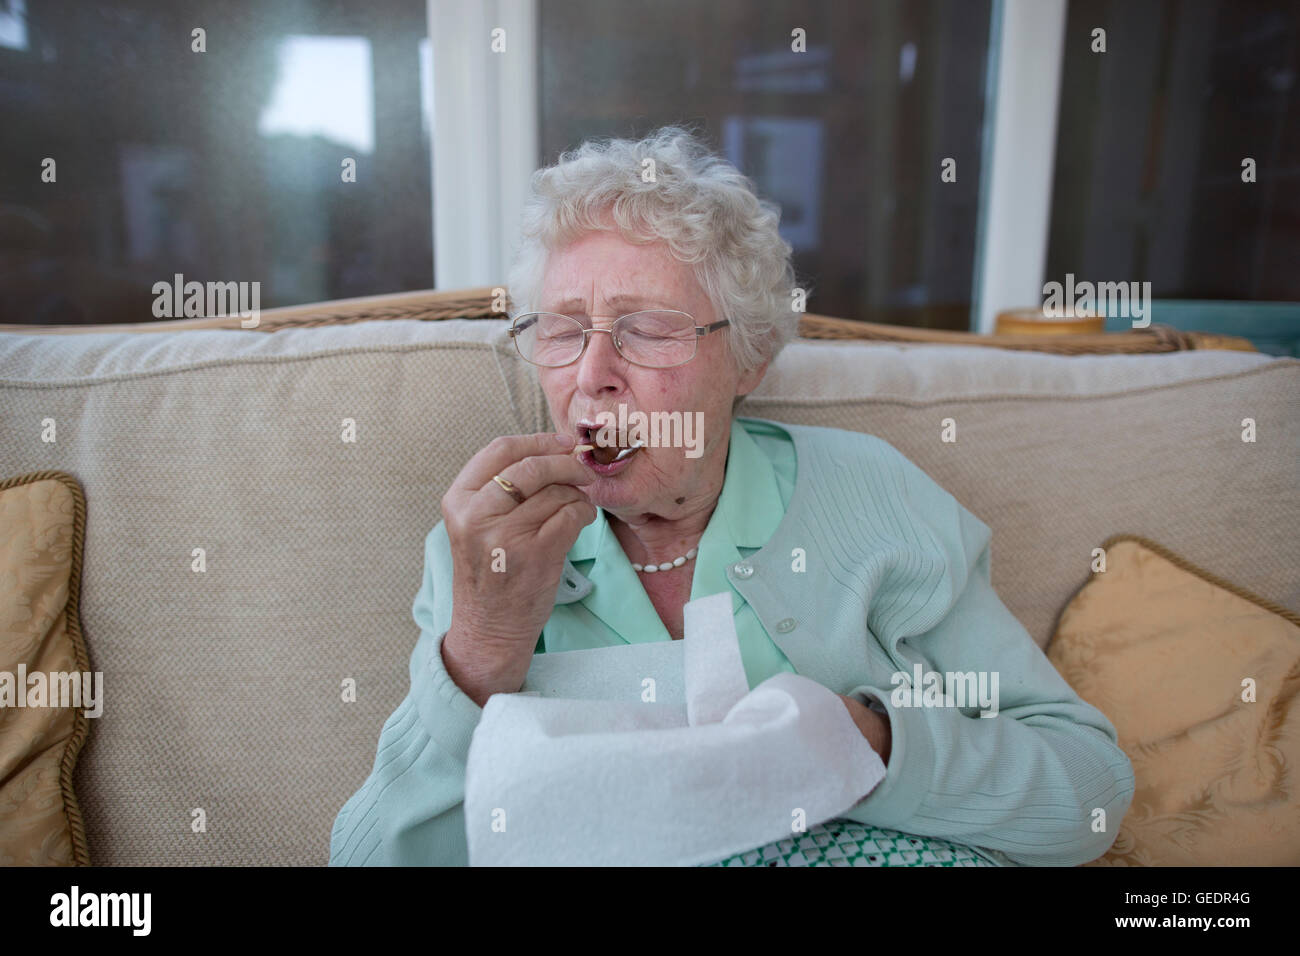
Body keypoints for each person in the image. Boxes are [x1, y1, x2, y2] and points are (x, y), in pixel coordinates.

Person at [329, 126, 1134, 867]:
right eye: (564, 330)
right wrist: (478, 651)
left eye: (647, 328)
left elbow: (1087, 791)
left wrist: (872, 744)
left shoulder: (869, 496)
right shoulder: (487, 544)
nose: (590, 375)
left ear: (747, 358)